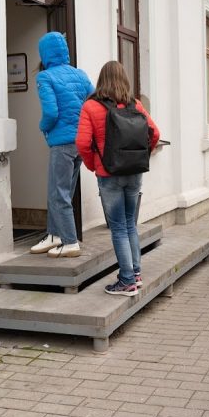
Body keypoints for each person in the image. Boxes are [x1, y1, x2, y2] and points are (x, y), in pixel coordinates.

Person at [76, 61, 160, 296]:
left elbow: (82, 143)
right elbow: (155, 134)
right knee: (130, 224)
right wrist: (142, 156)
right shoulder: (135, 104)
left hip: (109, 174)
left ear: (101, 79)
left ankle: (126, 281)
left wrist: (94, 165)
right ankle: (136, 273)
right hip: (134, 173)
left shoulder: (91, 107)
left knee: (119, 228)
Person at [30, 32, 95, 258]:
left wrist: (43, 127)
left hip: (62, 142)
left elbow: (50, 112)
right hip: (80, 143)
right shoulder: (80, 74)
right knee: (62, 191)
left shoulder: (45, 77)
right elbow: (94, 101)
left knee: (58, 194)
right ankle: (54, 235)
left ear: (45, 53)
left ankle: (69, 242)